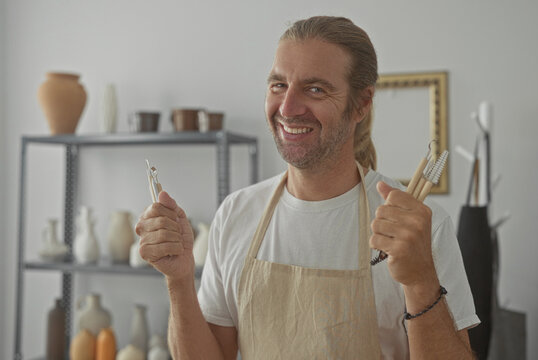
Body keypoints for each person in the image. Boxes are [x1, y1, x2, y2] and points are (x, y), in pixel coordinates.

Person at [136, 16, 479, 359]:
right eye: (278, 85)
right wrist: (179, 281)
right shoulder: (236, 214)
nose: (287, 108)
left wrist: (421, 283)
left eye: (315, 89)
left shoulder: (420, 226)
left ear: (361, 104)